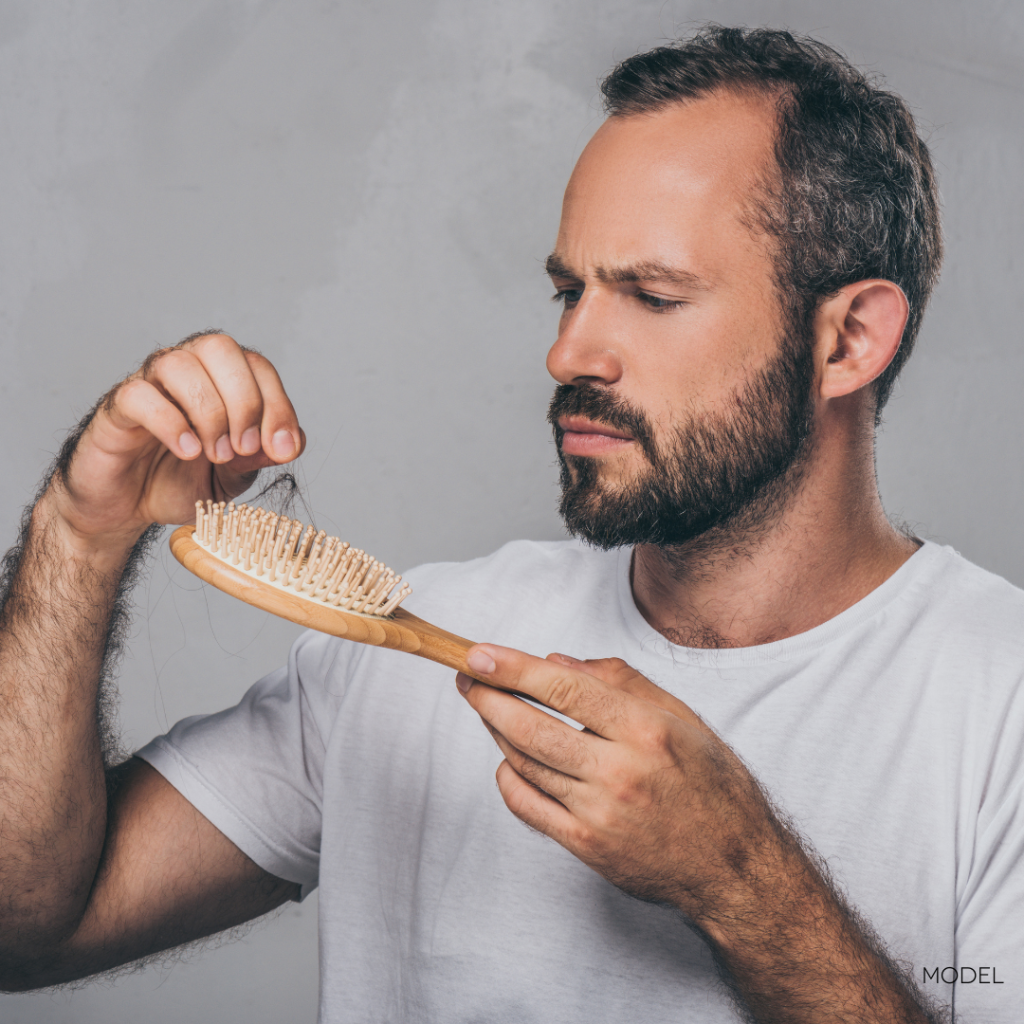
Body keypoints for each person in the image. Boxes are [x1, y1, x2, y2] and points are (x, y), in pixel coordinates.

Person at [0, 25, 1019, 1024]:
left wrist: (740, 881)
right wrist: (78, 533)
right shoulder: (407, 643)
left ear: (848, 340)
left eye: (652, 296)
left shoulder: (999, 706)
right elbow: (27, 927)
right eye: (569, 290)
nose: (569, 352)